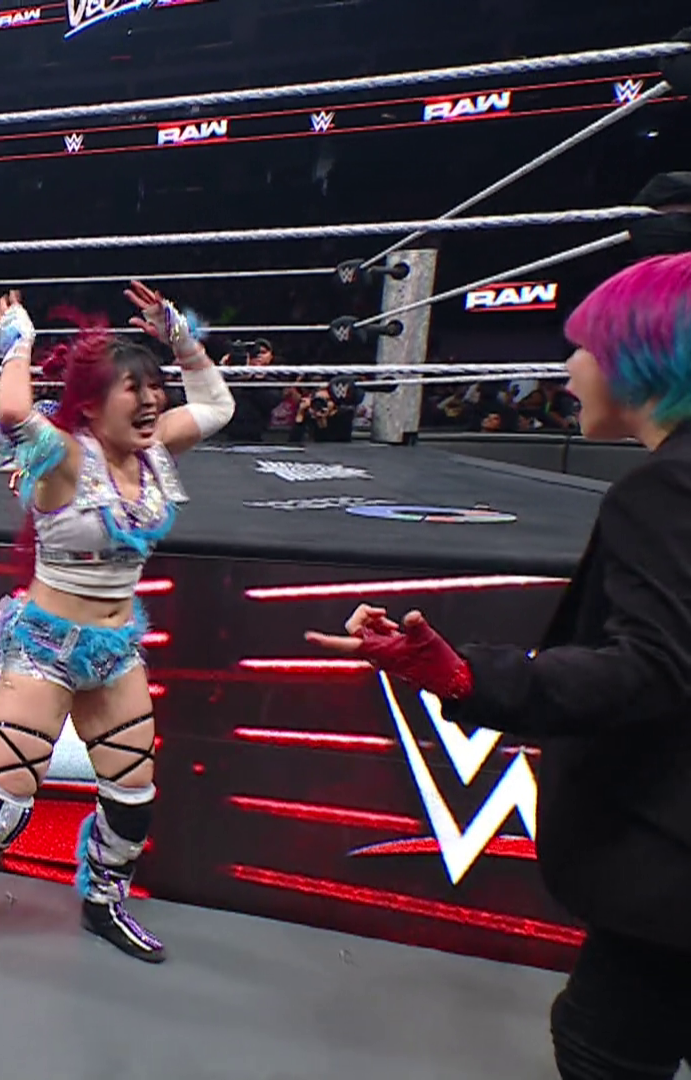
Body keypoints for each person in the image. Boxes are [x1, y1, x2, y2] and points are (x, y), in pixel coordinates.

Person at [306, 253, 691, 1080]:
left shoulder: (665, 491)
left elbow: (653, 668)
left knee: (602, 1045)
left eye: (583, 347)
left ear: (641, 358)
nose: (567, 369)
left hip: (671, 866)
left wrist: (466, 677)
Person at [0, 282, 234, 981]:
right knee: (3, 806)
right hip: (45, 651)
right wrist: (17, 339)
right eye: (133, 389)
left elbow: (218, 406)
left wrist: (181, 339)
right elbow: (12, 411)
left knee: (132, 797)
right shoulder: (64, 455)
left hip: (115, 653)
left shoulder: (155, 450)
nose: (152, 401)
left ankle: (104, 901)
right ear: (93, 402)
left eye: (156, 387)